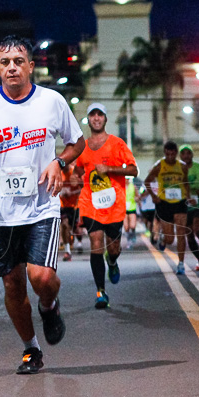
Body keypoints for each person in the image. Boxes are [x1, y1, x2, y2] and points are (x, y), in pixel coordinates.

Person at [0, 35, 85, 375]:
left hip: (42, 205)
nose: (12, 67)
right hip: (0, 212)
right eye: (5, 62)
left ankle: (49, 305)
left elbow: (78, 142)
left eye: (18, 60)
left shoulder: (52, 101)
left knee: (41, 277)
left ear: (30, 66)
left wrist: (59, 161)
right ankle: (31, 349)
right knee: (13, 283)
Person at [74, 103, 137, 309]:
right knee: (96, 244)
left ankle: (112, 262)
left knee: (113, 248)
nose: (96, 118)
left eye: (100, 114)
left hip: (114, 205)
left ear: (105, 119)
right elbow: (77, 172)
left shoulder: (117, 144)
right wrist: (73, 180)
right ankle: (101, 292)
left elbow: (134, 170)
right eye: (93, 115)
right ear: (89, 120)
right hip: (90, 204)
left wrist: (109, 168)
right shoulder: (82, 146)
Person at [144, 142, 190, 274]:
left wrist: (188, 196)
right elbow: (147, 181)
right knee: (170, 238)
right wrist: (153, 196)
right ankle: (164, 240)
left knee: (181, 232)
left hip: (180, 202)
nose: (170, 157)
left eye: (172, 154)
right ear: (165, 153)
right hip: (164, 202)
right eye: (167, 154)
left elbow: (186, 183)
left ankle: (181, 263)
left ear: (176, 153)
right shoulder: (159, 166)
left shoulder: (182, 166)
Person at [58, 162, 83, 261]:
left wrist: (72, 192)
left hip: (75, 205)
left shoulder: (74, 173)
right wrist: (61, 192)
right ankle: (67, 251)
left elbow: (83, 188)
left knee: (75, 228)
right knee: (64, 225)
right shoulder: (58, 173)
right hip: (63, 206)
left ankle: (79, 243)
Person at [123, 176, 138, 246]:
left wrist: (137, 198)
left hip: (132, 208)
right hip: (124, 209)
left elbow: (137, 196)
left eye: (128, 179)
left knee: (132, 225)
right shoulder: (121, 187)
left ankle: (133, 234)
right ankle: (129, 239)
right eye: (125, 178)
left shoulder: (133, 186)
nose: (127, 180)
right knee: (126, 227)